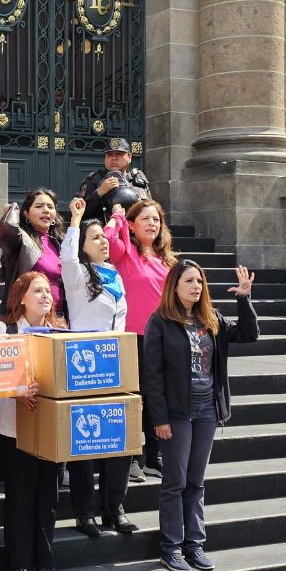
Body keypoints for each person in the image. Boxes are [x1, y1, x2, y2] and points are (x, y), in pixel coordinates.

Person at [143, 261, 257, 571]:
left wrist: (244, 299)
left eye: (200, 282)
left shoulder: (212, 319)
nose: (196, 287)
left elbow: (249, 334)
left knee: (196, 481)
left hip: (207, 411)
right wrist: (159, 418)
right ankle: (170, 548)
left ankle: (194, 545)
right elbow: (151, 375)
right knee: (175, 482)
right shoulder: (160, 322)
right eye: (190, 281)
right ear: (174, 286)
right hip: (176, 415)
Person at [60, 197, 137, 538]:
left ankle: (114, 508)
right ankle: (86, 513)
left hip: (115, 363)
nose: (103, 242)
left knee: (118, 441)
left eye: (104, 238)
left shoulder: (115, 274)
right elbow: (65, 256)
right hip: (84, 364)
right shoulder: (77, 275)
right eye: (96, 238)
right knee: (85, 444)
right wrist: (76, 220)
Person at [0, 272, 69, 571]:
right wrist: (19, 388)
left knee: (48, 498)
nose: (45, 296)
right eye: (37, 290)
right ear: (21, 296)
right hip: (12, 427)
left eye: (48, 290)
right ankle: (19, 566)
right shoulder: (3, 329)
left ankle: (45, 564)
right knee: (21, 498)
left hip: (50, 426)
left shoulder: (60, 330)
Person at [106, 198, 177, 475]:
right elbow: (109, 241)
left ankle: (153, 455)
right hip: (132, 336)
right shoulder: (125, 254)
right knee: (136, 397)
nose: (152, 224)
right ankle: (133, 455)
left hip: (163, 336)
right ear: (133, 225)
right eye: (145, 218)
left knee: (158, 396)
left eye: (156, 220)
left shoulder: (168, 260)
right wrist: (117, 218)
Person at [0, 189, 67, 319]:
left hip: (59, 317)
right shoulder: (21, 240)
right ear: (26, 214)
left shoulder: (60, 242)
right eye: (39, 206)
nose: (46, 210)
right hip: (27, 318)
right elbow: (8, 227)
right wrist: (13, 209)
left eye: (50, 207)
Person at [77, 138, 151, 223]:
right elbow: (79, 214)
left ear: (129, 157)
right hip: (103, 233)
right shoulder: (94, 180)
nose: (114, 158)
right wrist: (99, 192)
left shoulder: (138, 181)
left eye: (119, 154)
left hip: (135, 233)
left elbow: (151, 211)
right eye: (110, 154)